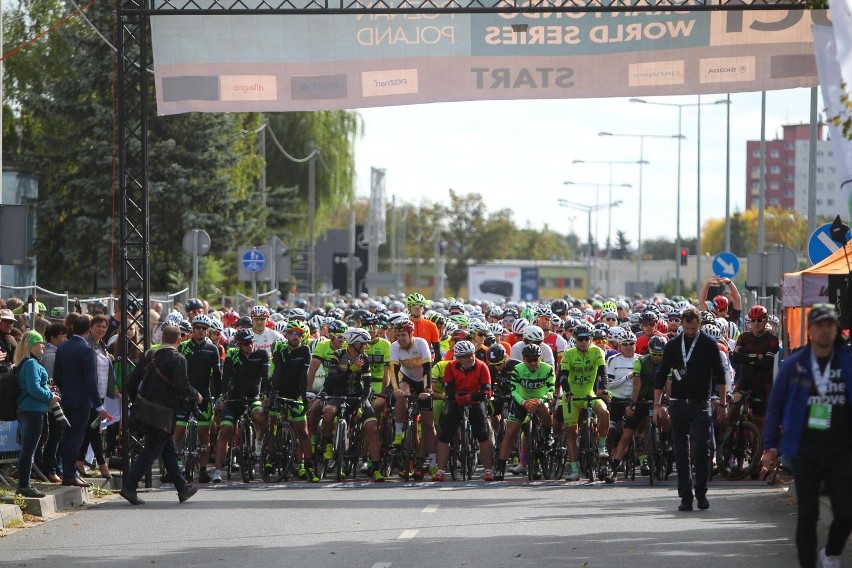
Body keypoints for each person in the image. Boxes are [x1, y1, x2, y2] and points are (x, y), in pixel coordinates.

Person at [761, 303, 852, 568]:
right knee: (808, 515)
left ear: (836, 329)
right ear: (810, 329)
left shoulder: (847, 359)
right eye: (819, 325)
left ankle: (831, 553)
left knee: (846, 512)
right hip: (805, 448)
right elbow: (775, 405)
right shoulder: (795, 364)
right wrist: (770, 446)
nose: (824, 331)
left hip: (841, 449)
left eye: (829, 325)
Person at [653, 307, 726, 512]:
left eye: (694, 328)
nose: (690, 331)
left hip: (701, 404)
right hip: (677, 403)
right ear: (682, 326)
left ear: (699, 325)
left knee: (702, 450)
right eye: (686, 328)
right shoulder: (674, 345)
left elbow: (720, 375)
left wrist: (722, 402)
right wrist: (658, 405)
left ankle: (701, 491)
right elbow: (661, 375)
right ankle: (685, 496)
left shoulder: (709, 344)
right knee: (681, 451)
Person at [121, 325, 201, 505]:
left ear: (162, 337)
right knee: (151, 450)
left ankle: (183, 488)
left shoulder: (149, 355)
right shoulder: (178, 358)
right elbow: (182, 386)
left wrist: (139, 402)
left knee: (168, 451)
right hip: (164, 413)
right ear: (179, 339)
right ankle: (130, 486)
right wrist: (196, 395)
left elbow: (131, 383)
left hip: (147, 410)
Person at [53, 314, 108, 488]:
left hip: (66, 399)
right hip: (83, 401)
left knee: (67, 436)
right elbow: (91, 380)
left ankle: (68, 472)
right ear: (87, 330)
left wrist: (66, 391)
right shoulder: (86, 350)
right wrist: (99, 405)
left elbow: (57, 376)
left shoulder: (62, 348)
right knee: (76, 438)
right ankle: (69, 474)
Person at [15, 331, 56, 498]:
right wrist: (51, 396)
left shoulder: (27, 363)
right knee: (29, 449)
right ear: (31, 345)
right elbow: (34, 389)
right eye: (40, 343)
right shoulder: (31, 364)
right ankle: (24, 485)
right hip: (32, 410)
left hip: (29, 410)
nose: (43, 345)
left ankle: (24, 484)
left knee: (28, 448)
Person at [0, 308, 17, 373]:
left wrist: (15, 347)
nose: (9, 324)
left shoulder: (13, 337)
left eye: (11, 322)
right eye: (6, 321)